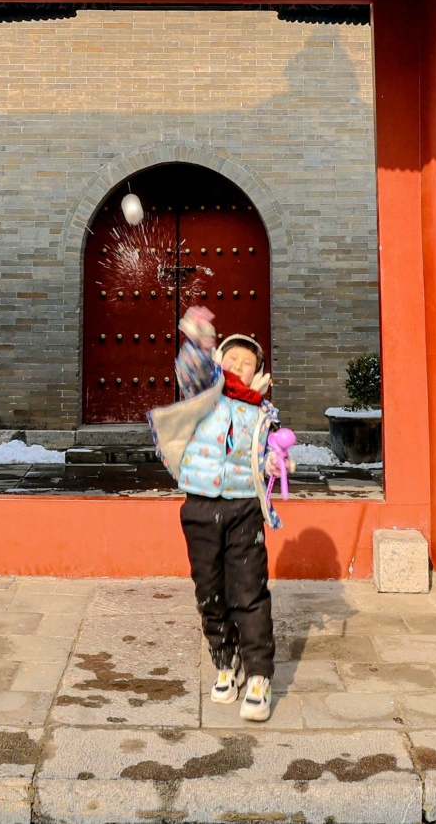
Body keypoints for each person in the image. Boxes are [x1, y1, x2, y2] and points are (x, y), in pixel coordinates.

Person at [147, 304, 288, 723]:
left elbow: (264, 457)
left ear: (258, 372)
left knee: (249, 591)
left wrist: (273, 466)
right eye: (231, 357)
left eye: (248, 362)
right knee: (209, 591)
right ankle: (226, 662)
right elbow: (191, 367)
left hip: (245, 507)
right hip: (200, 504)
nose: (238, 365)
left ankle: (260, 675)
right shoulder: (203, 393)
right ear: (219, 363)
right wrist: (197, 339)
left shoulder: (263, 414)